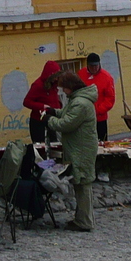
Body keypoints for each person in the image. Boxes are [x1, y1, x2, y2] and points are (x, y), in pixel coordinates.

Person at [42, 72, 98, 231]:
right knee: (79, 182)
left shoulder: (80, 103)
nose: (62, 91)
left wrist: (49, 120)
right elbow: (66, 114)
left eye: (63, 88)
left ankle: (85, 221)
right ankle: (81, 218)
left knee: (83, 183)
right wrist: (54, 111)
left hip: (82, 149)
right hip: (78, 147)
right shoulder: (77, 100)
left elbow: (67, 124)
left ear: (71, 87)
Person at [77, 53, 116, 141]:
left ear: (99, 64)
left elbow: (110, 99)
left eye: (96, 65)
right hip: (84, 118)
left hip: (99, 118)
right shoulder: (81, 74)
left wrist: (97, 110)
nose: (94, 68)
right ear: (87, 65)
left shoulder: (107, 78)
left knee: (101, 142)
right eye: (91, 66)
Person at [22, 60, 62, 144]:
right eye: (54, 76)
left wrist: (58, 108)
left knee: (54, 144)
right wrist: (42, 106)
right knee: (40, 146)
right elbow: (27, 102)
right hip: (38, 121)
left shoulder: (53, 85)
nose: (56, 79)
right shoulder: (38, 85)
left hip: (51, 119)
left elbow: (53, 100)